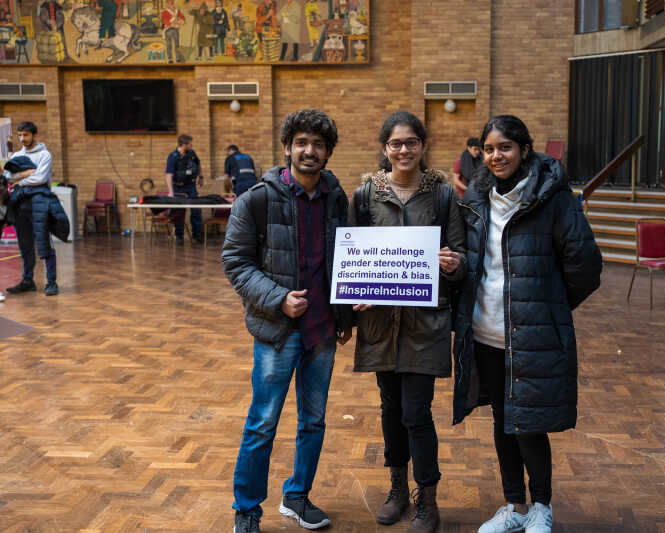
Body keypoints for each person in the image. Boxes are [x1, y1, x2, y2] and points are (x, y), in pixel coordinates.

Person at [452, 115, 602, 533]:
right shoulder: (476, 199)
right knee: (503, 419)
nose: (497, 156)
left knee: (530, 423)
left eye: (506, 147)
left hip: (533, 334)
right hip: (486, 332)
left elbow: (586, 266)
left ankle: (542, 506)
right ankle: (514, 506)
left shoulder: (552, 198)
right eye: (490, 148)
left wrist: (549, 306)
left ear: (524, 150)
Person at [222, 109, 353, 533]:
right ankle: (247, 509)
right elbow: (235, 262)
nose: (309, 150)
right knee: (263, 422)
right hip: (277, 331)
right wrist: (278, 299)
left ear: (328, 152)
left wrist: (349, 308)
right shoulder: (256, 199)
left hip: (322, 332)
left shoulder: (336, 198)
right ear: (287, 148)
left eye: (317, 144)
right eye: (301, 142)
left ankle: (297, 496)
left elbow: (347, 259)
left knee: (313, 421)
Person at [349, 110, 466, 533]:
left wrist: (453, 263)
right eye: (395, 143)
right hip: (381, 324)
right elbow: (354, 256)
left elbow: (462, 258)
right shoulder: (365, 195)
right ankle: (396, 489)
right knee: (390, 407)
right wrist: (354, 293)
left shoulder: (443, 196)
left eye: (411, 142)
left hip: (424, 323)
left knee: (417, 412)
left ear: (422, 146)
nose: (403, 150)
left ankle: (426, 499)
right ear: (385, 149)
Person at [4, 121, 58, 296]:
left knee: (44, 245)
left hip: (39, 204)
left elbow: (41, 178)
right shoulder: (16, 156)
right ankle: (28, 281)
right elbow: (7, 177)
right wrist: (26, 174)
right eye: (20, 135)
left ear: (34, 135)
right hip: (20, 206)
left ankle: (51, 282)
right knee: (25, 246)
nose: (22, 138)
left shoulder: (44, 155)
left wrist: (19, 180)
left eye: (26, 135)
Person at [164, 134, 203, 243]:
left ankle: (197, 235)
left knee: (196, 211)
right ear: (184, 144)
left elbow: (198, 164)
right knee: (179, 212)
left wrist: (200, 177)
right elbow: (168, 175)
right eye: (190, 144)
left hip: (191, 187)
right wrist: (171, 191)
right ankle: (179, 237)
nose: (192, 145)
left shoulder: (192, 153)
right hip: (178, 188)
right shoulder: (173, 156)